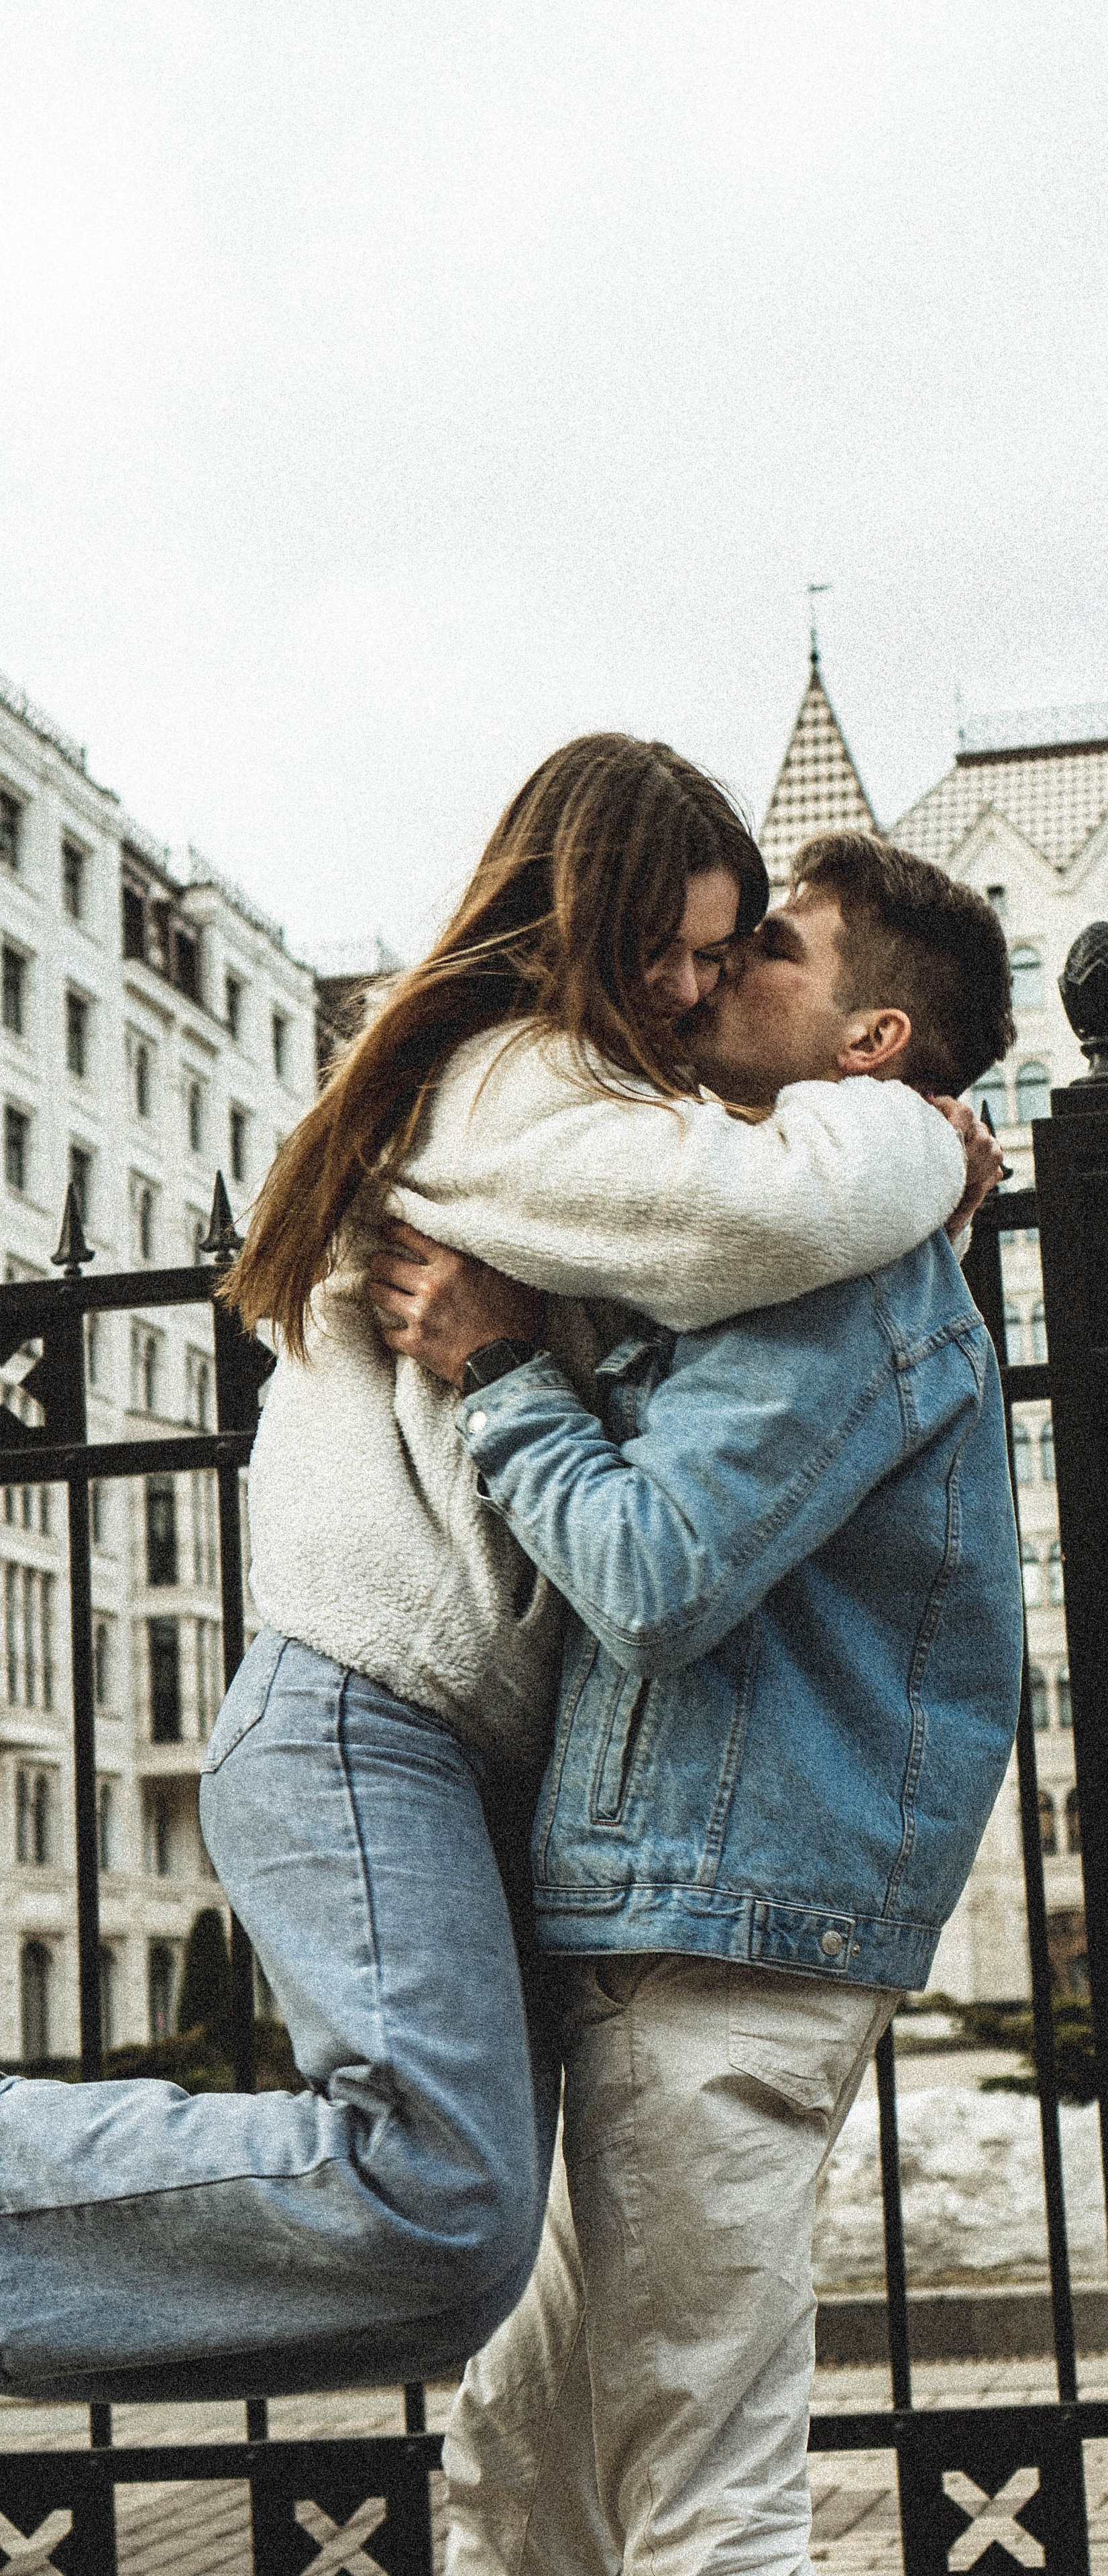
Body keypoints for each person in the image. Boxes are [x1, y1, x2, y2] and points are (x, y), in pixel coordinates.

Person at [0, 744, 998, 2402]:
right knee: (444, 2202)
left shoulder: (601, 1097)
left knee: (460, 2263)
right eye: (670, 945)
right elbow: (753, 1215)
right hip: (362, 1714)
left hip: (450, 1753)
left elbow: (765, 1271)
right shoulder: (506, 1078)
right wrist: (929, 1142)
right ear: (578, 915)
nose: (693, 984)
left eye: (726, 946)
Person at [365, 834, 1023, 2576]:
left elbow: (656, 1574)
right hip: (662, 1924)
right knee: (525, 2473)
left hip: (727, 1944)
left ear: (873, 1044)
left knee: (697, 2492)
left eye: (774, 954)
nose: (718, 975)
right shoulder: (764, 1237)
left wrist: (498, 1369)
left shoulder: (851, 1278)